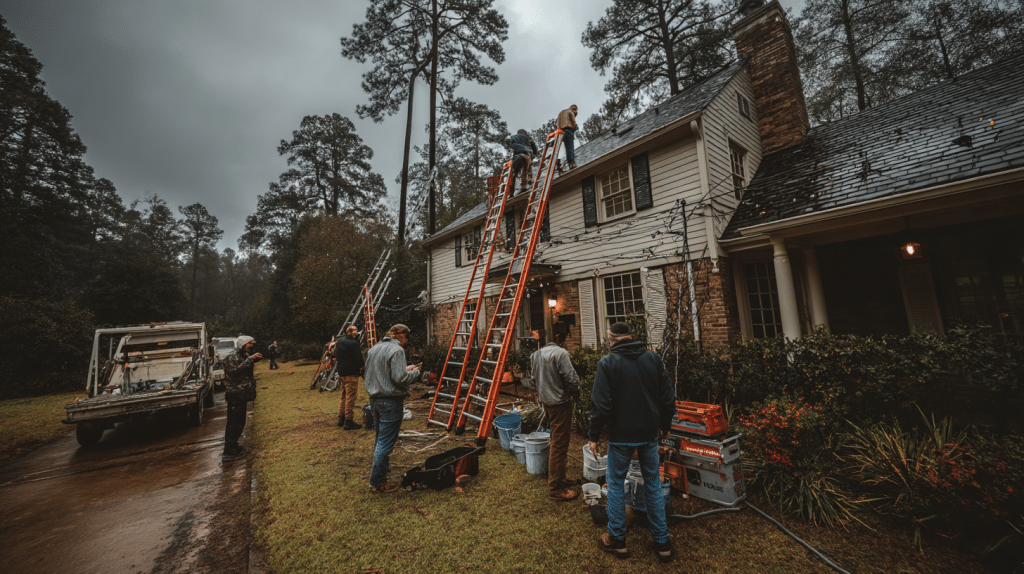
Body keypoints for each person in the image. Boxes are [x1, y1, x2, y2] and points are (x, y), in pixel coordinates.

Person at [588, 322, 676, 562]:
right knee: (653, 483)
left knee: (615, 484)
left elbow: (601, 404)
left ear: (611, 338)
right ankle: (662, 542)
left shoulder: (607, 363)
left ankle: (617, 539)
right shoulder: (652, 359)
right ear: (632, 337)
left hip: (621, 436)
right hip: (649, 433)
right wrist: (666, 424)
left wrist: (594, 435)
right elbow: (667, 396)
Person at [364, 324, 421, 493]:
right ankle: (377, 483)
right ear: (402, 336)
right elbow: (400, 378)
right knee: (385, 441)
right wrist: (415, 373)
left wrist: (404, 369)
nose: (406, 343)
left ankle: (382, 470)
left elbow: (380, 373)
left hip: (375, 400)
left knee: (380, 438)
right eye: (406, 339)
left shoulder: (374, 349)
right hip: (390, 402)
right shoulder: (397, 350)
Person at [531, 333, 581, 502]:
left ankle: (560, 476)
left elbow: (533, 380)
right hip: (560, 405)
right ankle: (555, 489)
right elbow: (571, 378)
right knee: (559, 445)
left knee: (556, 441)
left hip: (547, 404)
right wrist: (576, 393)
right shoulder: (561, 353)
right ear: (559, 341)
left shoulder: (535, 355)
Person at [221, 336, 263, 461]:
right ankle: (228, 451)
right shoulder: (231, 357)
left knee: (240, 422)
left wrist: (253, 360)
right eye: (249, 343)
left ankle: (234, 445)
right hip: (235, 395)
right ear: (242, 344)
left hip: (242, 394)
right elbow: (233, 372)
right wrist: (250, 359)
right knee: (234, 423)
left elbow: (244, 370)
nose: (251, 345)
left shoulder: (243, 356)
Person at [335, 325, 365, 430]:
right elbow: (358, 358)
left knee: (344, 396)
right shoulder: (353, 343)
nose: (357, 333)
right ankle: (348, 421)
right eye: (356, 331)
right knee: (351, 397)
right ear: (351, 332)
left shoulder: (340, 342)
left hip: (342, 372)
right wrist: (362, 368)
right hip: (351, 373)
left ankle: (341, 419)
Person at [509, 128, 538, 194]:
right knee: (525, 171)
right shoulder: (527, 137)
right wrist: (534, 154)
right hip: (526, 156)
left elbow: (509, 145)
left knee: (514, 174)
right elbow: (534, 148)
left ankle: (511, 192)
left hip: (517, 157)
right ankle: (525, 185)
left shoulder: (513, 138)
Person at [557, 105, 579, 170]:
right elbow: (573, 122)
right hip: (568, 130)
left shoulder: (561, 113)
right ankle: (571, 163)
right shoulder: (570, 112)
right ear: (574, 109)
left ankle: (558, 164)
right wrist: (575, 127)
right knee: (570, 147)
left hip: (561, 133)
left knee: (565, 147)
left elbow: (558, 124)